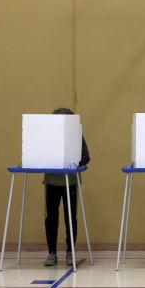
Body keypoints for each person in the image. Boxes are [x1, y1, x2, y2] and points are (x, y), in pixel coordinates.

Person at [43, 107, 90, 267]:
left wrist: (75, 162)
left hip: (70, 182)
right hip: (51, 182)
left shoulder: (76, 135)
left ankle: (70, 252)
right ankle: (52, 253)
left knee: (70, 219)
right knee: (51, 219)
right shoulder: (48, 136)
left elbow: (86, 156)